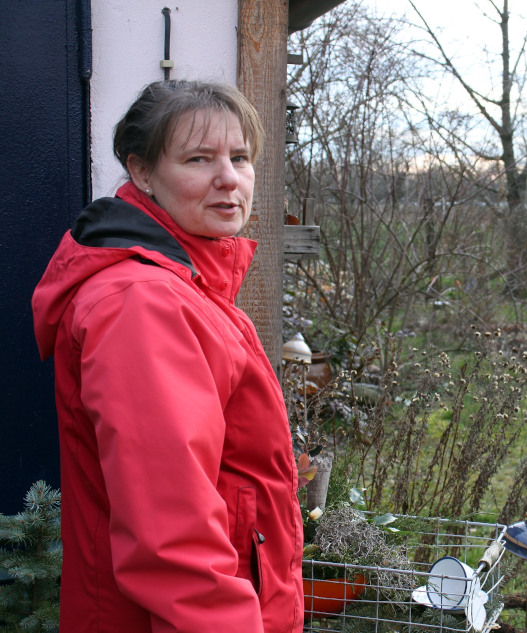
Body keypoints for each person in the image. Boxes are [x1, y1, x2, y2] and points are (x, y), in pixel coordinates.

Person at [32, 80, 303, 633]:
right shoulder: (143, 303)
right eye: (199, 159)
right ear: (144, 173)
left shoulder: (190, 287)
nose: (229, 178)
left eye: (240, 157)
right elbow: (171, 537)